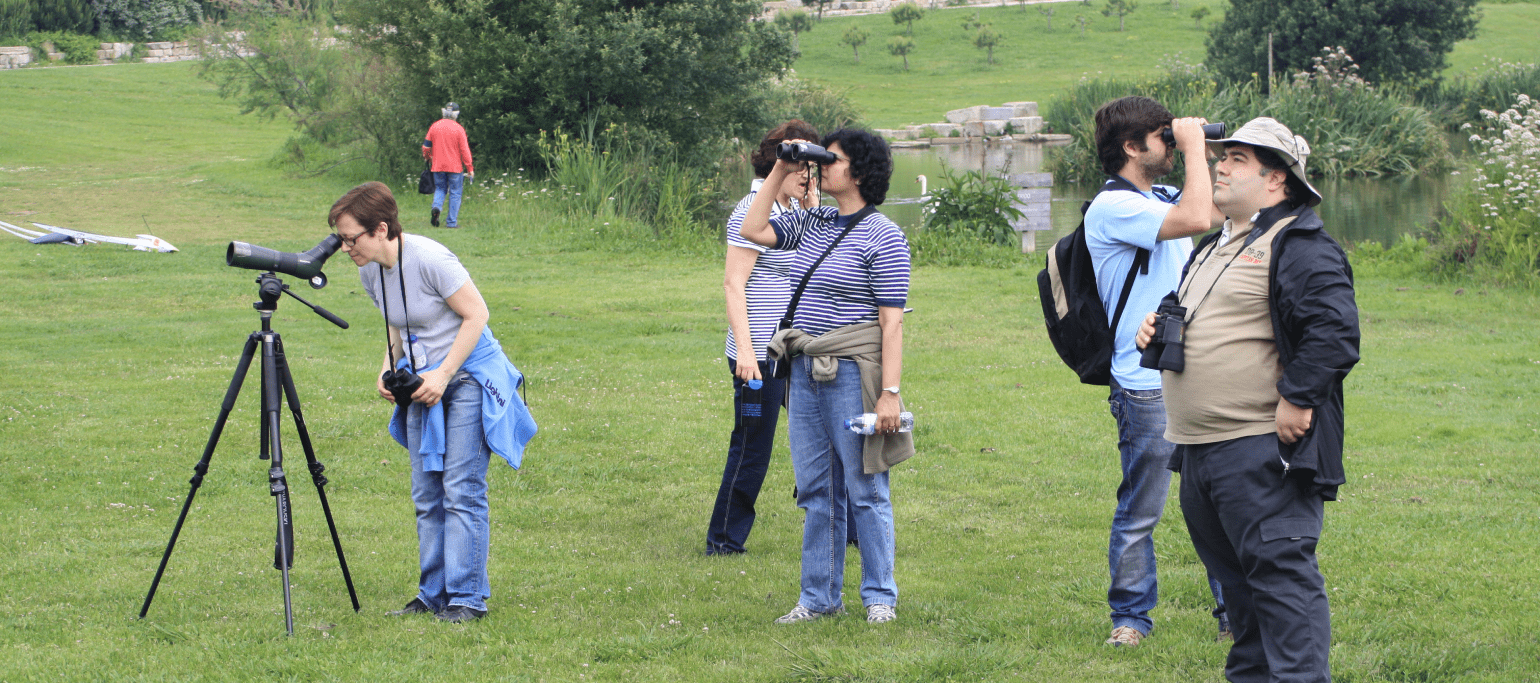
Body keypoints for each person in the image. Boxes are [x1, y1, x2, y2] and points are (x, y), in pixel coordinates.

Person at [1137, 117, 1359, 682]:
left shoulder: (1299, 243)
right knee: (1241, 596)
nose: (1220, 165)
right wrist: (1157, 327)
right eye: (1222, 155)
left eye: (1238, 158)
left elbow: (1333, 331)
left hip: (1260, 450)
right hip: (1198, 452)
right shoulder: (1217, 244)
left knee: (1282, 586)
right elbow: (1195, 313)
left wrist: (1298, 398)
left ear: (1277, 181)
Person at [330, 181, 536, 623]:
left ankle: (466, 599)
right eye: (341, 240)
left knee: (460, 489)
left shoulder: (429, 258)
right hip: (426, 384)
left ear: (380, 228)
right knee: (427, 494)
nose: (345, 248)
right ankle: (432, 595)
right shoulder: (370, 270)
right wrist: (387, 367)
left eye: (351, 238)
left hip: (466, 378)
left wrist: (443, 375)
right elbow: (398, 327)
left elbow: (477, 314)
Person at [741, 128, 913, 625]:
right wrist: (779, 167)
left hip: (851, 373)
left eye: (830, 160)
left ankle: (880, 596)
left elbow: (891, 323)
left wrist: (890, 395)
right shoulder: (813, 221)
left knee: (866, 488)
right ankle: (818, 599)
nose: (820, 167)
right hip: (804, 370)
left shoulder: (885, 235)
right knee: (817, 490)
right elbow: (754, 230)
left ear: (857, 171)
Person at [1083, 95, 1227, 647]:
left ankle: (1232, 615)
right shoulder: (1113, 208)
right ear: (1130, 147)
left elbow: (1213, 213)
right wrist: (1194, 145)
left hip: (1192, 374)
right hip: (1144, 383)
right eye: (1161, 136)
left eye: (1171, 135)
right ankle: (1131, 618)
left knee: (1218, 503)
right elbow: (1195, 217)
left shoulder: (1160, 195)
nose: (1170, 143)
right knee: (1142, 508)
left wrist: (1200, 154)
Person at [707, 119, 821, 556]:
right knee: (753, 445)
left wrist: (811, 202)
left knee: (824, 435)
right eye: (803, 170)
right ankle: (723, 540)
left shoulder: (788, 207)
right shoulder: (754, 209)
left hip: (792, 347)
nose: (809, 178)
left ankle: (841, 524)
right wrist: (749, 355)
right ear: (780, 164)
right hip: (759, 355)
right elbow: (734, 284)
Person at [422, 102, 475, 229]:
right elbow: (465, 151)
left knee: (440, 189)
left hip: (437, 166)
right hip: (455, 168)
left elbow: (426, 146)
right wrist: (470, 168)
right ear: (456, 114)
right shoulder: (459, 129)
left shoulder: (435, 126)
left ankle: (436, 207)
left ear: (444, 112)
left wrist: (428, 157)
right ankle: (451, 223)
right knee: (455, 193)